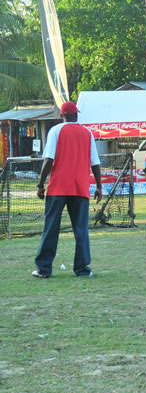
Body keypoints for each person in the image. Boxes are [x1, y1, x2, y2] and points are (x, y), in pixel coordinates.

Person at [32, 102, 103, 278]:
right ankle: (82, 269)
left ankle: (44, 269)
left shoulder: (55, 131)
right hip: (80, 188)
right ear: (76, 115)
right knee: (81, 229)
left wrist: (41, 184)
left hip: (58, 187)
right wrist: (99, 186)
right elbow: (95, 163)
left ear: (62, 115)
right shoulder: (87, 133)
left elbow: (48, 160)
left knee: (51, 228)